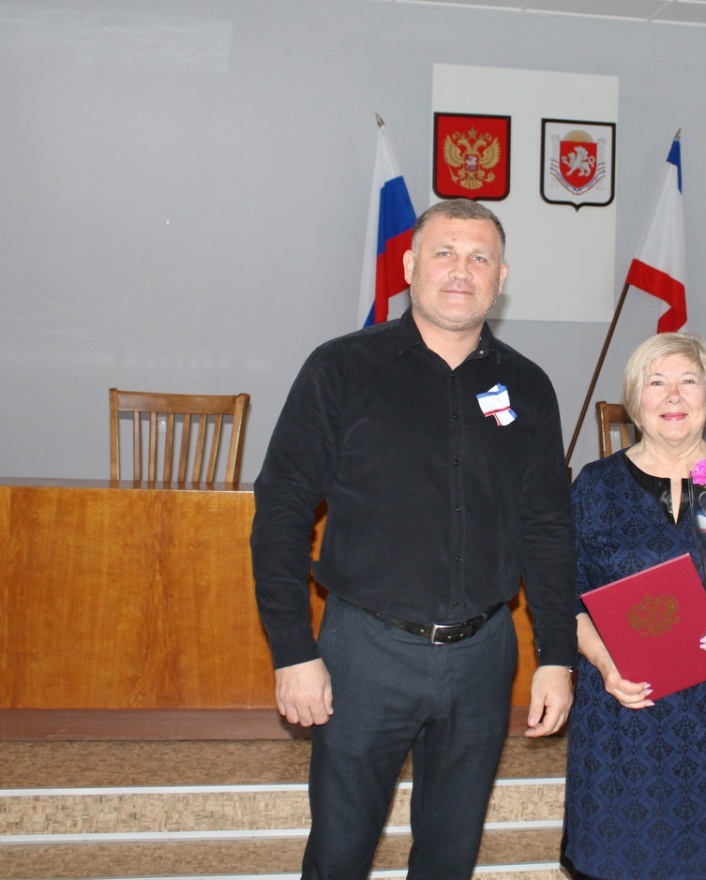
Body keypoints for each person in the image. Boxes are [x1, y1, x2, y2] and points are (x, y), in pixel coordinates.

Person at [250, 198, 577, 880]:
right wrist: (292, 650)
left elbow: (547, 527)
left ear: (500, 278)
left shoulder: (527, 386)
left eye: (480, 258)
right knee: (339, 854)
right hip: (364, 655)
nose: (462, 270)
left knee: (450, 859)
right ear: (409, 266)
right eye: (444, 253)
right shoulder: (341, 368)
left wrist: (557, 655)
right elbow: (281, 510)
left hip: (484, 659)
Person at [561, 332, 706, 880]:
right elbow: (563, 592)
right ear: (634, 401)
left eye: (688, 381)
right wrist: (603, 662)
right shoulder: (596, 486)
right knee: (618, 858)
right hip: (622, 706)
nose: (673, 395)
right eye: (657, 382)